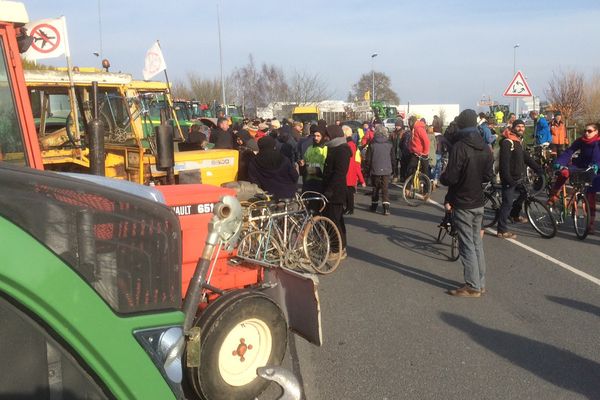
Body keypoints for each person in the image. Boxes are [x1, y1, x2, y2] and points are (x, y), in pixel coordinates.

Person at [440, 109, 494, 297]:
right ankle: (480, 282)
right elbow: (488, 175)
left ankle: (472, 286)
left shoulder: (460, 147)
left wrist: (443, 178)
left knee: (467, 244)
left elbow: (451, 177)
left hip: (463, 201)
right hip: (478, 200)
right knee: (477, 243)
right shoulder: (485, 146)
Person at [548, 122, 600, 233]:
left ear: (596, 132)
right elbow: (569, 151)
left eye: (589, 131)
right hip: (579, 166)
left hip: (593, 169)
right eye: (585, 131)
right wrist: (559, 162)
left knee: (591, 197)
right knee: (564, 173)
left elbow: (597, 157)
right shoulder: (581, 141)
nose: (586, 133)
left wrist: (597, 165)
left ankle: (590, 225)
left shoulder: (598, 143)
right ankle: (555, 194)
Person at [496, 119, 541, 239]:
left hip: (518, 177)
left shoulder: (518, 142)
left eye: (523, 126)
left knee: (525, 194)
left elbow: (526, 158)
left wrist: (539, 169)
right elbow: (503, 164)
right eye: (518, 126)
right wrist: (508, 179)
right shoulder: (508, 142)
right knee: (507, 203)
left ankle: (515, 214)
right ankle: (501, 230)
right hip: (509, 179)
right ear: (513, 128)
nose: (521, 128)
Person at [322, 125, 352, 258]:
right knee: (335, 220)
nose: (325, 137)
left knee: (335, 220)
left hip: (336, 191)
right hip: (331, 189)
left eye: (327, 135)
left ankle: (337, 249)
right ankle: (339, 247)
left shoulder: (342, 150)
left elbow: (339, 173)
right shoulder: (333, 147)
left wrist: (330, 189)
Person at [366, 126, 394, 215]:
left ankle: (374, 206)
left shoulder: (372, 143)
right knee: (385, 188)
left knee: (375, 187)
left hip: (375, 167)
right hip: (387, 168)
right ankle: (386, 208)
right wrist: (394, 169)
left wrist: (367, 170)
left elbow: (368, 159)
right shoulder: (389, 143)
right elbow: (393, 158)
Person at [343, 125, 365, 215]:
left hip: (349, 169)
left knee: (349, 192)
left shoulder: (349, 144)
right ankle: (349, 208)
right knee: (349, 191)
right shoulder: (351, 144)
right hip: (351, 169)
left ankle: (350, 208)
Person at [301, 128, 328, 193]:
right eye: (315, 136)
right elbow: (305, 160)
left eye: (318, 136)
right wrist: (302, 162)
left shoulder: (326, 149)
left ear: (323, 137)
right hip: (310, 179)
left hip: (321, 180)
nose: (316, 138)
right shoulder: (310, 148)